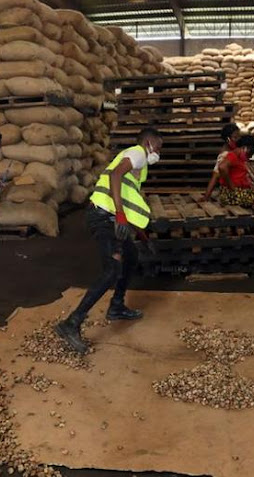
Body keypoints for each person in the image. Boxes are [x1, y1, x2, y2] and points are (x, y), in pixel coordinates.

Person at [54, 128, 163, 354]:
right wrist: (121, 216)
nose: (158, 154)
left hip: (111, 218)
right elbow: (115, 176)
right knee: (112, 269)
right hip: (103, 217)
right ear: (149, 142)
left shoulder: (138, 166)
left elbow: (125, 196)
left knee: (131, 256)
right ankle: (71, 323)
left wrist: (142, 236)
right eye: (158, 148)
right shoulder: (138, 153)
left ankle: (117, 306)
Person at [216, 135, 254, 208]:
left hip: (232, 193)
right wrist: (232, 187)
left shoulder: (239, 158)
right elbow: (222, 167)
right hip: (231, 195)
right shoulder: (233, 155)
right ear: (245, 148)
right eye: (250, 153)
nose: (250, 156)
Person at [203, 123, 240, 201]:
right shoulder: (224, 155)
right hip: (233, 192)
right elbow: (215, 176)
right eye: (235, 137)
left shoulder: (235, 151)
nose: (238, 140)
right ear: (228, 139)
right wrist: (206, 197)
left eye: (239, 137)